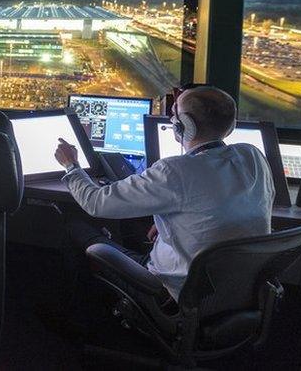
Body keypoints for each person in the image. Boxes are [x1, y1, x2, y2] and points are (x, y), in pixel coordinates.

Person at [55, 86, 274, 299]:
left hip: (174, 291)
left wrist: (72, 166)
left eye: (174, 114)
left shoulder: (175, 171)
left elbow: (96, 203)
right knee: (137, 226)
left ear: (184, 125)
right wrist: (168, 223)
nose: (172, 120)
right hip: (235, 286)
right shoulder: (252, 155)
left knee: (74, 226)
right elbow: (218, 206)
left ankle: (76, 315)